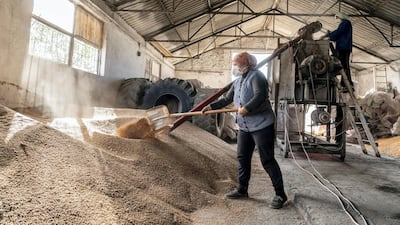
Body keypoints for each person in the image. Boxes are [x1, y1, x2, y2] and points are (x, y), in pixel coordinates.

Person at [202, 52, 287, 209]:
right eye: (234, 64)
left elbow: (260, 95)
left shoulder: (257, 77)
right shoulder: (237, 81)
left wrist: (247, 108)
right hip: (245, 126)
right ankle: (242, 190)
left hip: (262, 124)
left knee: (267, 160)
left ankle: (280, 194)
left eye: (236, 64)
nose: (235, 67)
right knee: (242, 157)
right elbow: (227, 99)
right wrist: (211, 106)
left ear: (246, 63)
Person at [320, 12, 353, 92]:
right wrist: (329, 35)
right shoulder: (345, 24)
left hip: (343, 48)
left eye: (337, 18)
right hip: (342, 47)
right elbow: (337, 34)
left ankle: (348, 84)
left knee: (344, 66)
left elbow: (338, 32)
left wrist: (327, 36)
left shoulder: (346, 23)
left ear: (340, 17)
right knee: (343, 66)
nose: (336, 20)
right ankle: (344, 84)